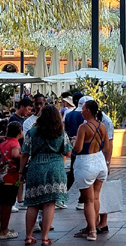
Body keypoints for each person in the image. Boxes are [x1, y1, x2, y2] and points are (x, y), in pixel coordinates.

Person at [20, 105, 72, 246]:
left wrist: (21, 172)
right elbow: (67, 152)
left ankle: (28, 236)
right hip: (55, 168)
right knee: (49, 203)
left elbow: (24, 153)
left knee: (33, 203)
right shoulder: (60, 132)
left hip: (36, 167)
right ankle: (45, 237)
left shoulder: (32, 132)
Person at [72, 100, 109, 241]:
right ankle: (93, 226)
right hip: (100, 161)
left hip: (86, 163)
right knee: (96, 197)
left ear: (88, 111)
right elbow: (106, 147)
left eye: (83, 109)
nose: (81, 111)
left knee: (87, 200)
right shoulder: (102, 126)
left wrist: (74, 141)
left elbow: (78, 148)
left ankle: (92, 231)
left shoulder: (83, 127)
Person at [0, 122, 23, 240]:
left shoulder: (3, 143)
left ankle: (3, 229)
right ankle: (4, 231)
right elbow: (15, 154)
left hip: (2, 178)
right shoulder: (15, 143)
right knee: (7, 205)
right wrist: (23, 158)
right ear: (19, 132)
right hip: (10, 178)